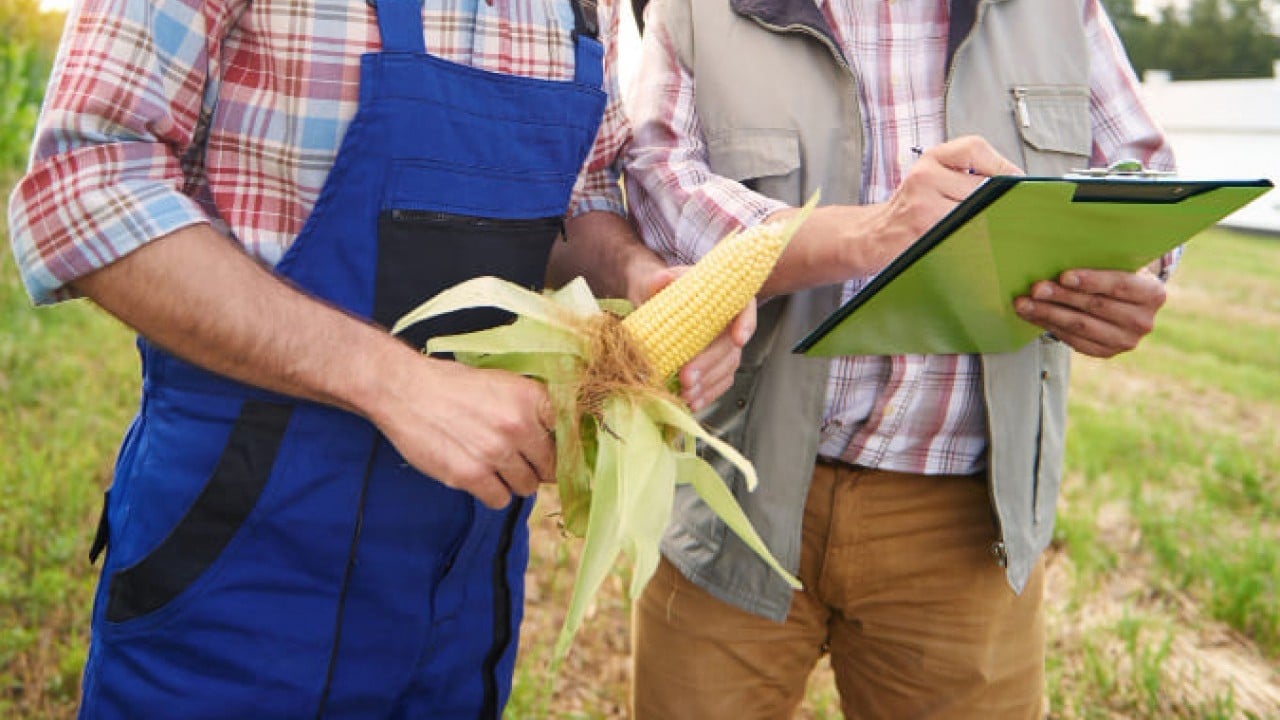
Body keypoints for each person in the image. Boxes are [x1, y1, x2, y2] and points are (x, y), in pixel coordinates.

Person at [6, 0, 750, 716]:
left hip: (463, 583)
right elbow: (86, 186)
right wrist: (393, 382)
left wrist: (635, 275)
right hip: (238, 556)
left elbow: (579, 194)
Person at [622, 0, 1176, 717]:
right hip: (735, 493)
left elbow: (1145, 180)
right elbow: (656, 190)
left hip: (964, 524)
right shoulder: (694, 11)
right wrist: (870, 234)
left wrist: (1136, 278)